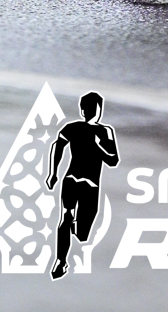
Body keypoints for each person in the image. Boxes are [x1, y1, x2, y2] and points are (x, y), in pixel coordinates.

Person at [45, 91, 119, 280]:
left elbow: (113, 160)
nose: (92, 112)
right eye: (90, 108)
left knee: (81, 232)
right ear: (83, 110)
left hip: (84, 184)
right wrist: (53, 173)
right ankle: (61, 261)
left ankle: (72, 229)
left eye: (94, 108)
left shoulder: (103, 131)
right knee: (66, 217)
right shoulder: (76, 128)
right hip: (76, 181)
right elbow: (57, 146)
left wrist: (96, 146)